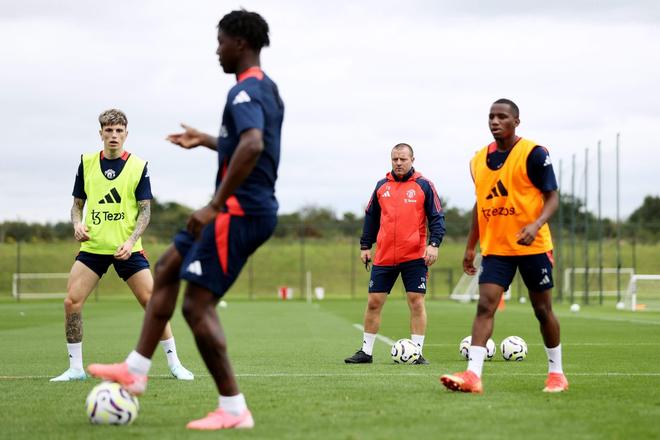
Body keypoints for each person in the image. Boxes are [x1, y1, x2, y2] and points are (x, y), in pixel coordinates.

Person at [89, 10, 284, 431]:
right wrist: (209, 141)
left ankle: (233, 409)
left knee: (197, 306)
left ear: (240, 43)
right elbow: (250, 143)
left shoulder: (245, 91)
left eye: (221, 42)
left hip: (240, 211)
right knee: (166, 268)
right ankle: (136, 370)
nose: (217, 50)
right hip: (241, 206)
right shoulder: (265, 88)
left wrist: (215, 204)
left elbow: (252, 145)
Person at [51, 109, 194, 382]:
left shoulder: (138, 166)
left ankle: (175, 364)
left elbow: (145, 211)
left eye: (119, 130)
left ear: (126, 134)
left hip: (127, 249)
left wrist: (130, 241)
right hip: (93, 248)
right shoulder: (87, 163)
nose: (114, 135)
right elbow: (77, 206)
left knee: (153, 303)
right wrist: (77, 224)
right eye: (109, 130)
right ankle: (76, 369)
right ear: (101, 133)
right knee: (72, 301)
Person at [440, 98, 568, 394]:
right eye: (491, 117)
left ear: (516, 122)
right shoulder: (477, 161)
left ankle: (556, 373)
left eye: (502, 117)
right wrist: (470, 246)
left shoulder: (534, 153)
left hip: (533, 246)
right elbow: (480, 204)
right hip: (496, 249)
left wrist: (536, 224)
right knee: (485, 305)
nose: (495, 121)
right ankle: (473, 375)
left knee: (542, 310)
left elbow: (552, 198)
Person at [344, 143, 445, 365]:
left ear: (412, 160)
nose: (398, 163)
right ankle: (366, 352)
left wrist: (434, 244)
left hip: (414, 255)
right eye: (395, 159)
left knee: (416, 301)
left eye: (403, 159)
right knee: (374, 302)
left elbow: (437, 217)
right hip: (384, 255)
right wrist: (365, 246)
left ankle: (417, 352)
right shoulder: (382, 186)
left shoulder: (424, 185)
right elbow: (371, 217)